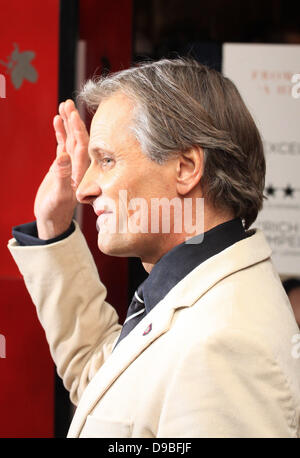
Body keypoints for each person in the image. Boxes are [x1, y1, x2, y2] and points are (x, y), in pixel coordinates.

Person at [8, 58, 300, 438]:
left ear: (185, 167)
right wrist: (53, 227)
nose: (83, 188)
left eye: (107, 160)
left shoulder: (221, 346)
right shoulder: (197, 294)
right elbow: (105, 379)